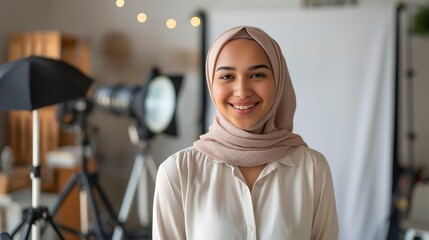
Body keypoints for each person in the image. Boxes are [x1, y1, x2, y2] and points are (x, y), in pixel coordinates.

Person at [152, 26, 338, 239]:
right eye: (227, 76)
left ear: (279, 81)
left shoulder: (312, 169)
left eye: (257, 74)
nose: (242, 90)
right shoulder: (178, 172)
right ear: (211, 85)